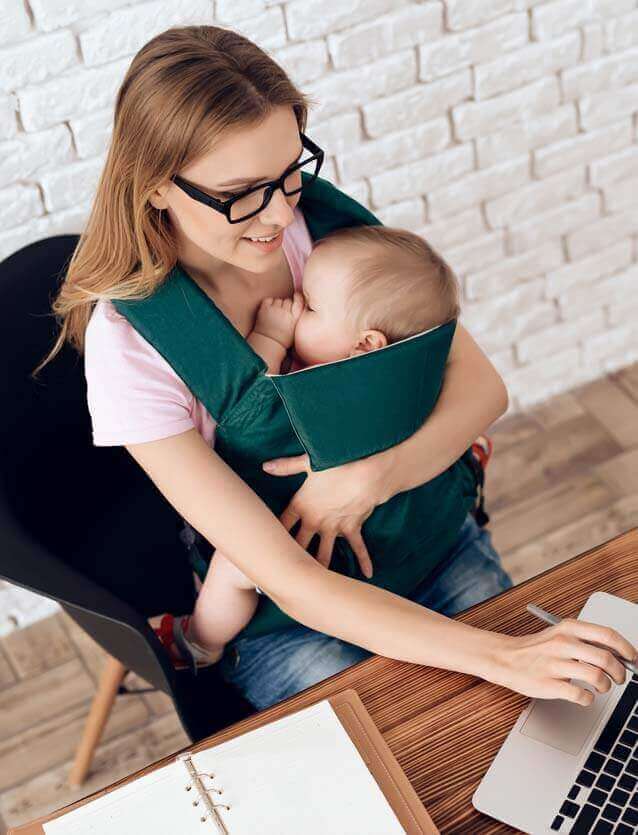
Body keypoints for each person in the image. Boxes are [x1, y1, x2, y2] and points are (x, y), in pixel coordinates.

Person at [37, 25, 636, 712]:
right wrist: (501, 655)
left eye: (291, 171)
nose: (280, 211)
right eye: (242, 193)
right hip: (288, 609)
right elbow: (289, 577)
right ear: (155, 187)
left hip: (420, 534)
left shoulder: (317, 229)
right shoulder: (132, 350)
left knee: (551, 717)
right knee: (404, 750)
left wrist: (365, 479)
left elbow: (480, 386)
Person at [160, 223, 483, 669]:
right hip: (396, 547)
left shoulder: (308, 388)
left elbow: (250, 398)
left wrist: (271, 337)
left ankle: (199, 643)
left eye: (309, 306)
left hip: (306, 558)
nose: (293, 306)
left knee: (233, 570)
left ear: (364, 344)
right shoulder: (416, 377)